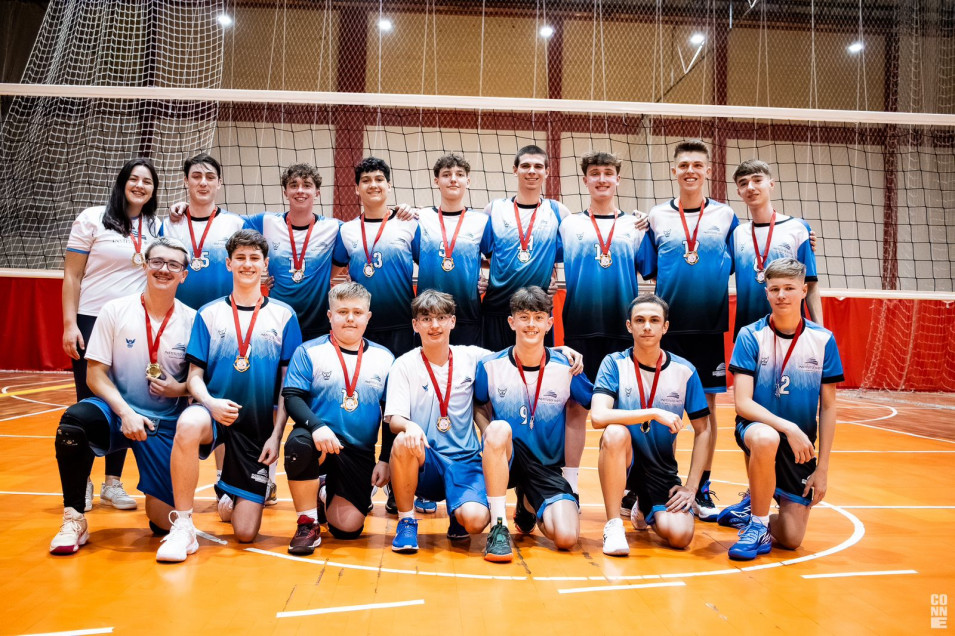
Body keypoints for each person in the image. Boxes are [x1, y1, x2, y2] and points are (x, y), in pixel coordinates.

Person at [156, 229, 302, 562]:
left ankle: (231, 493)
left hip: (257, 429)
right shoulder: (207, 314)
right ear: (228, 263)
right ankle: (184, 526)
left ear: (265, 265)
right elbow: (193, 378)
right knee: (189, 423)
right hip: (215, 414)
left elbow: (286, 387)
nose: (247, 264)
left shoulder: (284, 316)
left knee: (245, 532)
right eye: (241, 258)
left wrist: (276, 436)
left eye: (254, 258)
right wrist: (209, 403)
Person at [50, 238, 196, 554]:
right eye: (157, 262)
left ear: (183, 274)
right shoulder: (115, 310)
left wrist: (178, 389)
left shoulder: (194, 321)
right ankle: (73, 518)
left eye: (173, 265)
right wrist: (125, 412)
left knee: (163, 524)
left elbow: (199, 384)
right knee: (74, 423)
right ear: (145, 265)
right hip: (116, 413)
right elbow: (95, 374)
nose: (164, 269)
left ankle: (160, 503)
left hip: (163, 424)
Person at [643, 139, 739, 522]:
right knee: (650, 403)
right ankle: (645, 483)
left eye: (697, 164)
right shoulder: (655, 216)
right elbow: (647, 267)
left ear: (708, 170)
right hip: (668, 328)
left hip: (708, 327)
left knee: (707, 411)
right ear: (674, 170)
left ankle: (700, 486)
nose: (690, 171)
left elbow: (744, 256)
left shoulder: (727, 217)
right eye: (683, 165)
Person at [62, 157, 162, 512]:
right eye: (133, 179)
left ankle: (113, 483)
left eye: (147, 182)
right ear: (122, 183)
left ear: (153, 190)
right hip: (91, 320)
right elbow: (72, 276)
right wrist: (70, 324)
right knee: (89, 399)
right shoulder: (91, 218)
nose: (139, 186)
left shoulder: (155, 225)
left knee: (126, 400)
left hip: (130, 324)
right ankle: (84, 481)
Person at [724, 258, 842, 560]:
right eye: (774, 288)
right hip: (757, 429)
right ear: (766, 293)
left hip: (800, 447)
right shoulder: (751, 336)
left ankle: (751, 510)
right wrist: (788, 427)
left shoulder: (823, 340)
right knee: (767, 438)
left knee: (791, 539)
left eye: (789, 288)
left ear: (804, 290)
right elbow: (743, 403)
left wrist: (823, 469)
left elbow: (828, 408)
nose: (781, 295)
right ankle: (759, 524)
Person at [475, 286, 594, 562]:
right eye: (524, 317)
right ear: (511, 321)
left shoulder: (567, 366)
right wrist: (489, 436)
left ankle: (528, 503)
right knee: (497, 429)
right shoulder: (490, 366)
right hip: (507, 458)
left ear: (549, 323)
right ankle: (499, 527)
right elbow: (479, 403)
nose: (531, 324)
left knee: (566, 538)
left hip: (546, 464)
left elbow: (588, 405)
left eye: (539, 317)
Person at [590, 294, 711, 556]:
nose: (647, 326)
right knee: (613, 433)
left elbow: (704, 430)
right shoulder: (614, 364)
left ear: (665, 327)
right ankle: (614, 525)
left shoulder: (684, 371)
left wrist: (691, 487)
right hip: (625, 460)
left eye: (654, 320)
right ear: (628, 326)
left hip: (661, 468)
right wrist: (654, 412)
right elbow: (598, 417)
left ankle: (643, 506)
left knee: (680, 537)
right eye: (640, 320)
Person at [280, 282, 395, 554]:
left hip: (358, 450)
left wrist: (385, 459)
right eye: (342, 312)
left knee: (348, 529)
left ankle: (323, 491)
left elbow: (391, 415)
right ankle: (307, 522)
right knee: (299, 444)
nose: (350, 318)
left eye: (357, 312)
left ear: (368, 317)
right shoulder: (309, 351)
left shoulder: (385, 358)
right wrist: (317, 426)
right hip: (319, 441)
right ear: (330, 316)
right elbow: (292, 397)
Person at [384, 290, 491, 552]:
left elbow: (518, 356)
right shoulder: (403, 365)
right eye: (427, 318)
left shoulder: (473, 357)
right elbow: (394, 417)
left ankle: (459, 515)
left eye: (442, 317)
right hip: (427, 461)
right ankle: (407, 521)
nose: (434, 325)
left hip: (465, 461)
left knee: (476, 522)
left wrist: (558, 350)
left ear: (452, 322)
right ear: (415, 324)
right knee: (402, 441)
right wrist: (409, 425)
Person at [559, 151, 655, 381]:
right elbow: (542, 261)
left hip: (622, 325)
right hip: (580, 324)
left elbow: (652, 273)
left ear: (618, 179)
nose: (602, 179)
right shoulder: (568, 224)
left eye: (608, 173)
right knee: (578, 403)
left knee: (622, 397)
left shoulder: (636, 225)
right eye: (594, 174)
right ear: (585, 181)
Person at [242, 163, 346, 341]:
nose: (300, 190)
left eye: (307, 185)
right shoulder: (265, 222)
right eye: (293, 185)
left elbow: (364, 228)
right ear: (285, 192)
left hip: (317, 322)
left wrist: (397, 212)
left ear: (317, 192)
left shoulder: (334, 227)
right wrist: (259, 274)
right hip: (276, 321)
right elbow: (227, 221)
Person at [481, 145, 569, 352]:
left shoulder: (559, 212)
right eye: (525, 166)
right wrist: (479, 278)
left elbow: (571, 254)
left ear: (547, 172)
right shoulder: (494, 209)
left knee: (534, 373)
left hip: (537, 311)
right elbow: (475, 253)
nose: (531, 171)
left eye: (538, 166)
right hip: (497, 307)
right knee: (495, 370)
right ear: (515, 170)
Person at [334, 157, 418, 356]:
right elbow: (328, 274)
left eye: (379, 179)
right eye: (366, 180)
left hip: (401, 323)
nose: (373, 185)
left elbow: (432, 266)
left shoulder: (409, 223)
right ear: (356, 188)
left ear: (389, 186)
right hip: (361, 324)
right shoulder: (347, 230)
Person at [731, 159, 823, 336]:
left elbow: (811, 285)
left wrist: (821, 332)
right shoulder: (737, 234)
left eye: (757, 180)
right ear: (739, 192)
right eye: (744, 183)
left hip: (790, 330)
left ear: (771, 184)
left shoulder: (798, 229)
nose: (750, 187)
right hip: (749, 333)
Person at [412, 153, 492, 346]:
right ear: (436, 181)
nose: (453, 179)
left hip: (467, 312)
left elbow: (494, 260)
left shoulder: (481, 221)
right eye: (447, 174)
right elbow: (417, 258)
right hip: (428, 314)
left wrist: (488, 281)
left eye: (460, 174)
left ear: (468, 180)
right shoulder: (420, 218)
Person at [162, 154, 246, 310]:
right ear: (186, 181)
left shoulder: (237, 224)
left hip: (224, 317)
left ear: (219, 183)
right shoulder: (167, 225)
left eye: (210, 177)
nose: (203, 183)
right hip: (177, 315)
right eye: (196, 176)